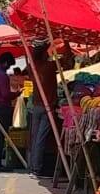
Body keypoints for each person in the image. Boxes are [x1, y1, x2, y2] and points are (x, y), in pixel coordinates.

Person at [28, 40, 73, 178]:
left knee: (35, 138)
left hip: (36, 106)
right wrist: (66, 44)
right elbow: (68, 63)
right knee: (40, 138)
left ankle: (32, 166)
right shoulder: (48, 66)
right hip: (47, 106)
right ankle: (37, 169)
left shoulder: (32, 67)